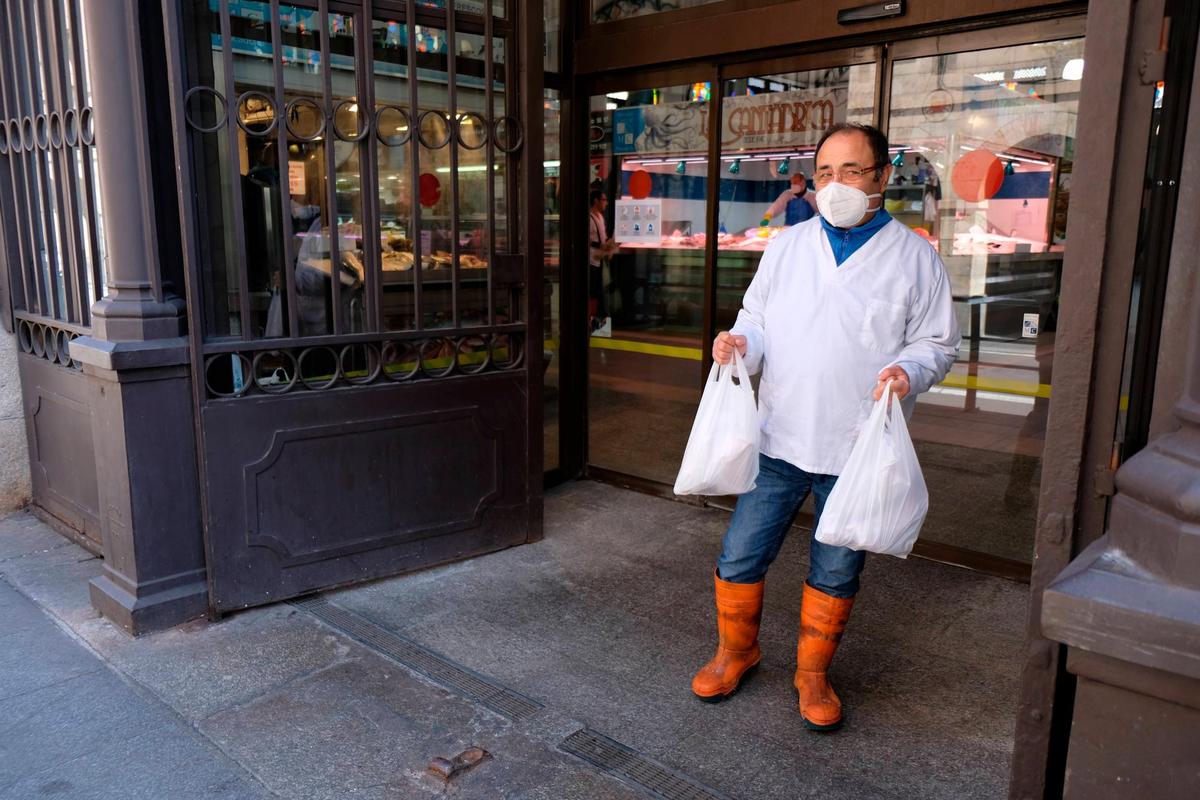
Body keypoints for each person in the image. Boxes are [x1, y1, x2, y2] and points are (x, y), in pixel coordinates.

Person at [691, 122, 961, 732]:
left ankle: (812, 673)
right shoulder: (788, 246)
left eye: (852, 171)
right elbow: (757, 320)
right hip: (780, 437)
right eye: (824, 174)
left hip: (855, 446)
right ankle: (737, 651)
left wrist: (907, 370)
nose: (835, 185)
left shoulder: (915, 257)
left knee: (837, 569)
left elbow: (938, 344)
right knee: (740, 556)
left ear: (883, 178)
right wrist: (739, 343)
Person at [588, 188, 617, 335]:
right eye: (604, 200)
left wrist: (609, 244)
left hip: (599, 260)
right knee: (594, 292)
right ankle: (594, 324)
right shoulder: (589, 218)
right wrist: (601, 245)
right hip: (592, 260)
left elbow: (602, 238)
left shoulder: (600, 217)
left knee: (598, 292)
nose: (606, 203)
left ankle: (597, 324)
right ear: (596, 201)